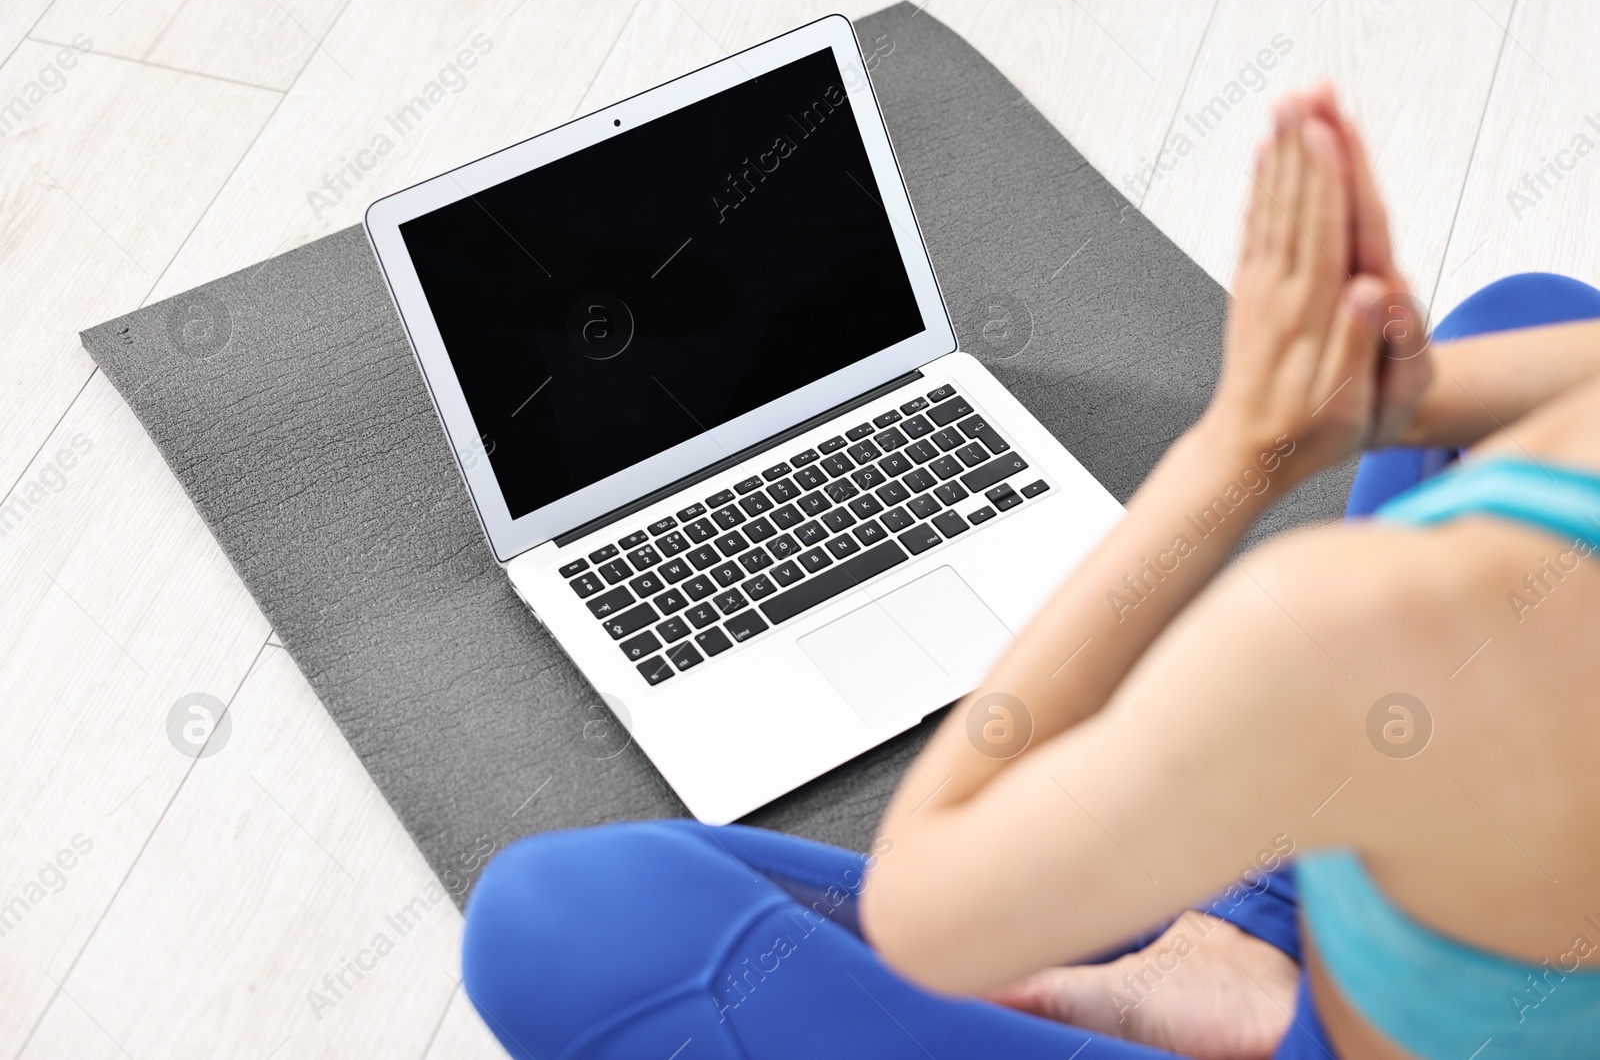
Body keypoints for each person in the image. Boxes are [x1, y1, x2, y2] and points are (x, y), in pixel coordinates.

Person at [459, 85, 1600, 1059]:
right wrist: (1397, 403)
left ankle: (1261, 966)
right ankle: (1251, 943)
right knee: (1524, 317)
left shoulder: (1330, 634)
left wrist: (1240, 452)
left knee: (546, 919)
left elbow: (924, 907)